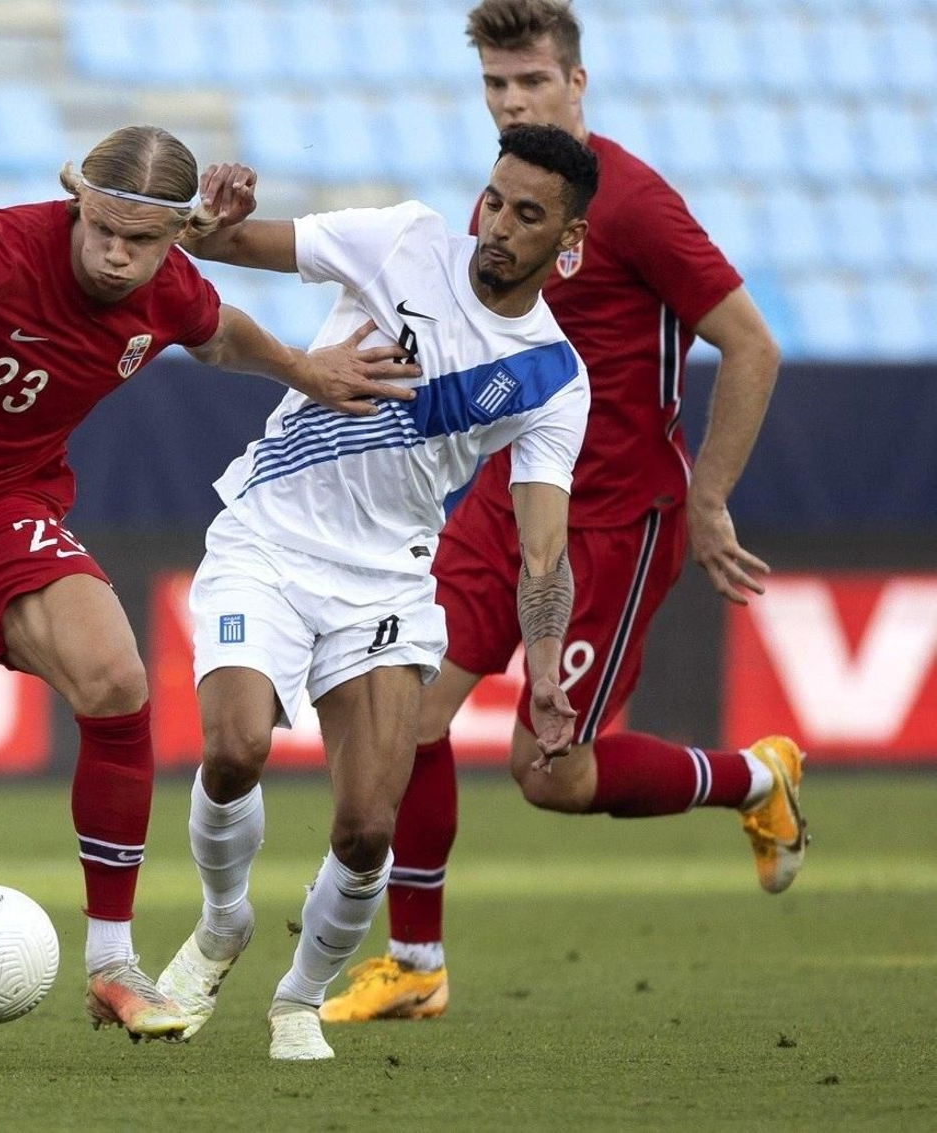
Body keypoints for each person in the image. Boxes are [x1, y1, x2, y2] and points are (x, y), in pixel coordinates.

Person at [0, 124, 421, 1066]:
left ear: (175, 236)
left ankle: (112, 960)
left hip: (2, 507)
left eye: (141, 239)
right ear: (77, 201)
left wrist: (305, 368)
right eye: (101, 227)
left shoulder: (164, 285)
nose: (115, 252)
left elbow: (218, 337)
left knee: (117, 677)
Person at [321, 0, 798, 1026]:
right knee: (404, 700)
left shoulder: (632, 205)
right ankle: (415, 960)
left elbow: (750, 344)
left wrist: (706, 496)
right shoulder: (502, 194)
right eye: (496, 86)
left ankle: (754, 775)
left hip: (612, 522)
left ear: (576, 84)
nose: (511, 102)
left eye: (531, 83)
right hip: (504, 494)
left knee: (549, 771)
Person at [155, 123, 596, 1060]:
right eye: (494, 199)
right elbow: (223, 244)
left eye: (527, 215)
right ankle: (223, 920)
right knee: (232, 750)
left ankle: (299, 998)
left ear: (569, 244)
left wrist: (546, 671)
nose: (497, 226)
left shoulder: (554, 378)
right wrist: (213, 216)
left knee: (365, 828)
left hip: (385, 580)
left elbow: (543, 546)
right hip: (268, 537)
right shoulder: (401, 240)